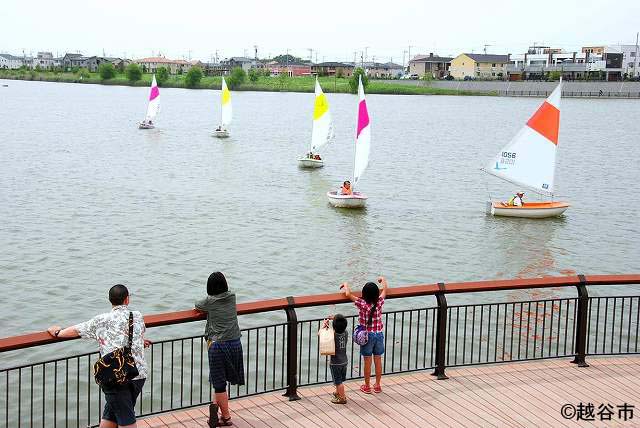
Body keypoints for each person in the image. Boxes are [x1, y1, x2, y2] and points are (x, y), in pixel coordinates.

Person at [47, 284, 150, 428]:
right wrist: (141, 342)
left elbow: (76, 330)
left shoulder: (101, 320)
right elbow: (136, 334)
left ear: (110, 300)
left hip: (115, 377)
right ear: (127, 300)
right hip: (138, 374)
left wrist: (57, 332)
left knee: (126, 419)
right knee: (112, 415)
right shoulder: (137, 316)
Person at [195, 272, 244, 427]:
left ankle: (227, 417)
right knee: (220, 379)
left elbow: (197, 304)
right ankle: (214, 410)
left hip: (218, 346)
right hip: (235, 342)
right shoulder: (232, 297)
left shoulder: (210, 301)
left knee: (219, 383)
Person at [341, 276, 389, 394]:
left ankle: (367, 386)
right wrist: (383, 280)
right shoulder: (379, 302)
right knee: (378, 360)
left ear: (364, 294)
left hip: (368, 336)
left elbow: (348, 294)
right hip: (379, 335)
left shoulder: (362, 303)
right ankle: (377, 385)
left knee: (367, 361)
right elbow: (385, 291)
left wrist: (346, 285)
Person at [327, 314, 348, 404]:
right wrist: (335, 319)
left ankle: (342, 398)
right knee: (340, 379)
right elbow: (341, 323)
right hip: (344, 361)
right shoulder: (346, 332)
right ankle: (337, 392)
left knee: (338, 382)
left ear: (334, 326)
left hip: (335, 362)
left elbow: (323, 335)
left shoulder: (333, 335)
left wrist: (325, 325)